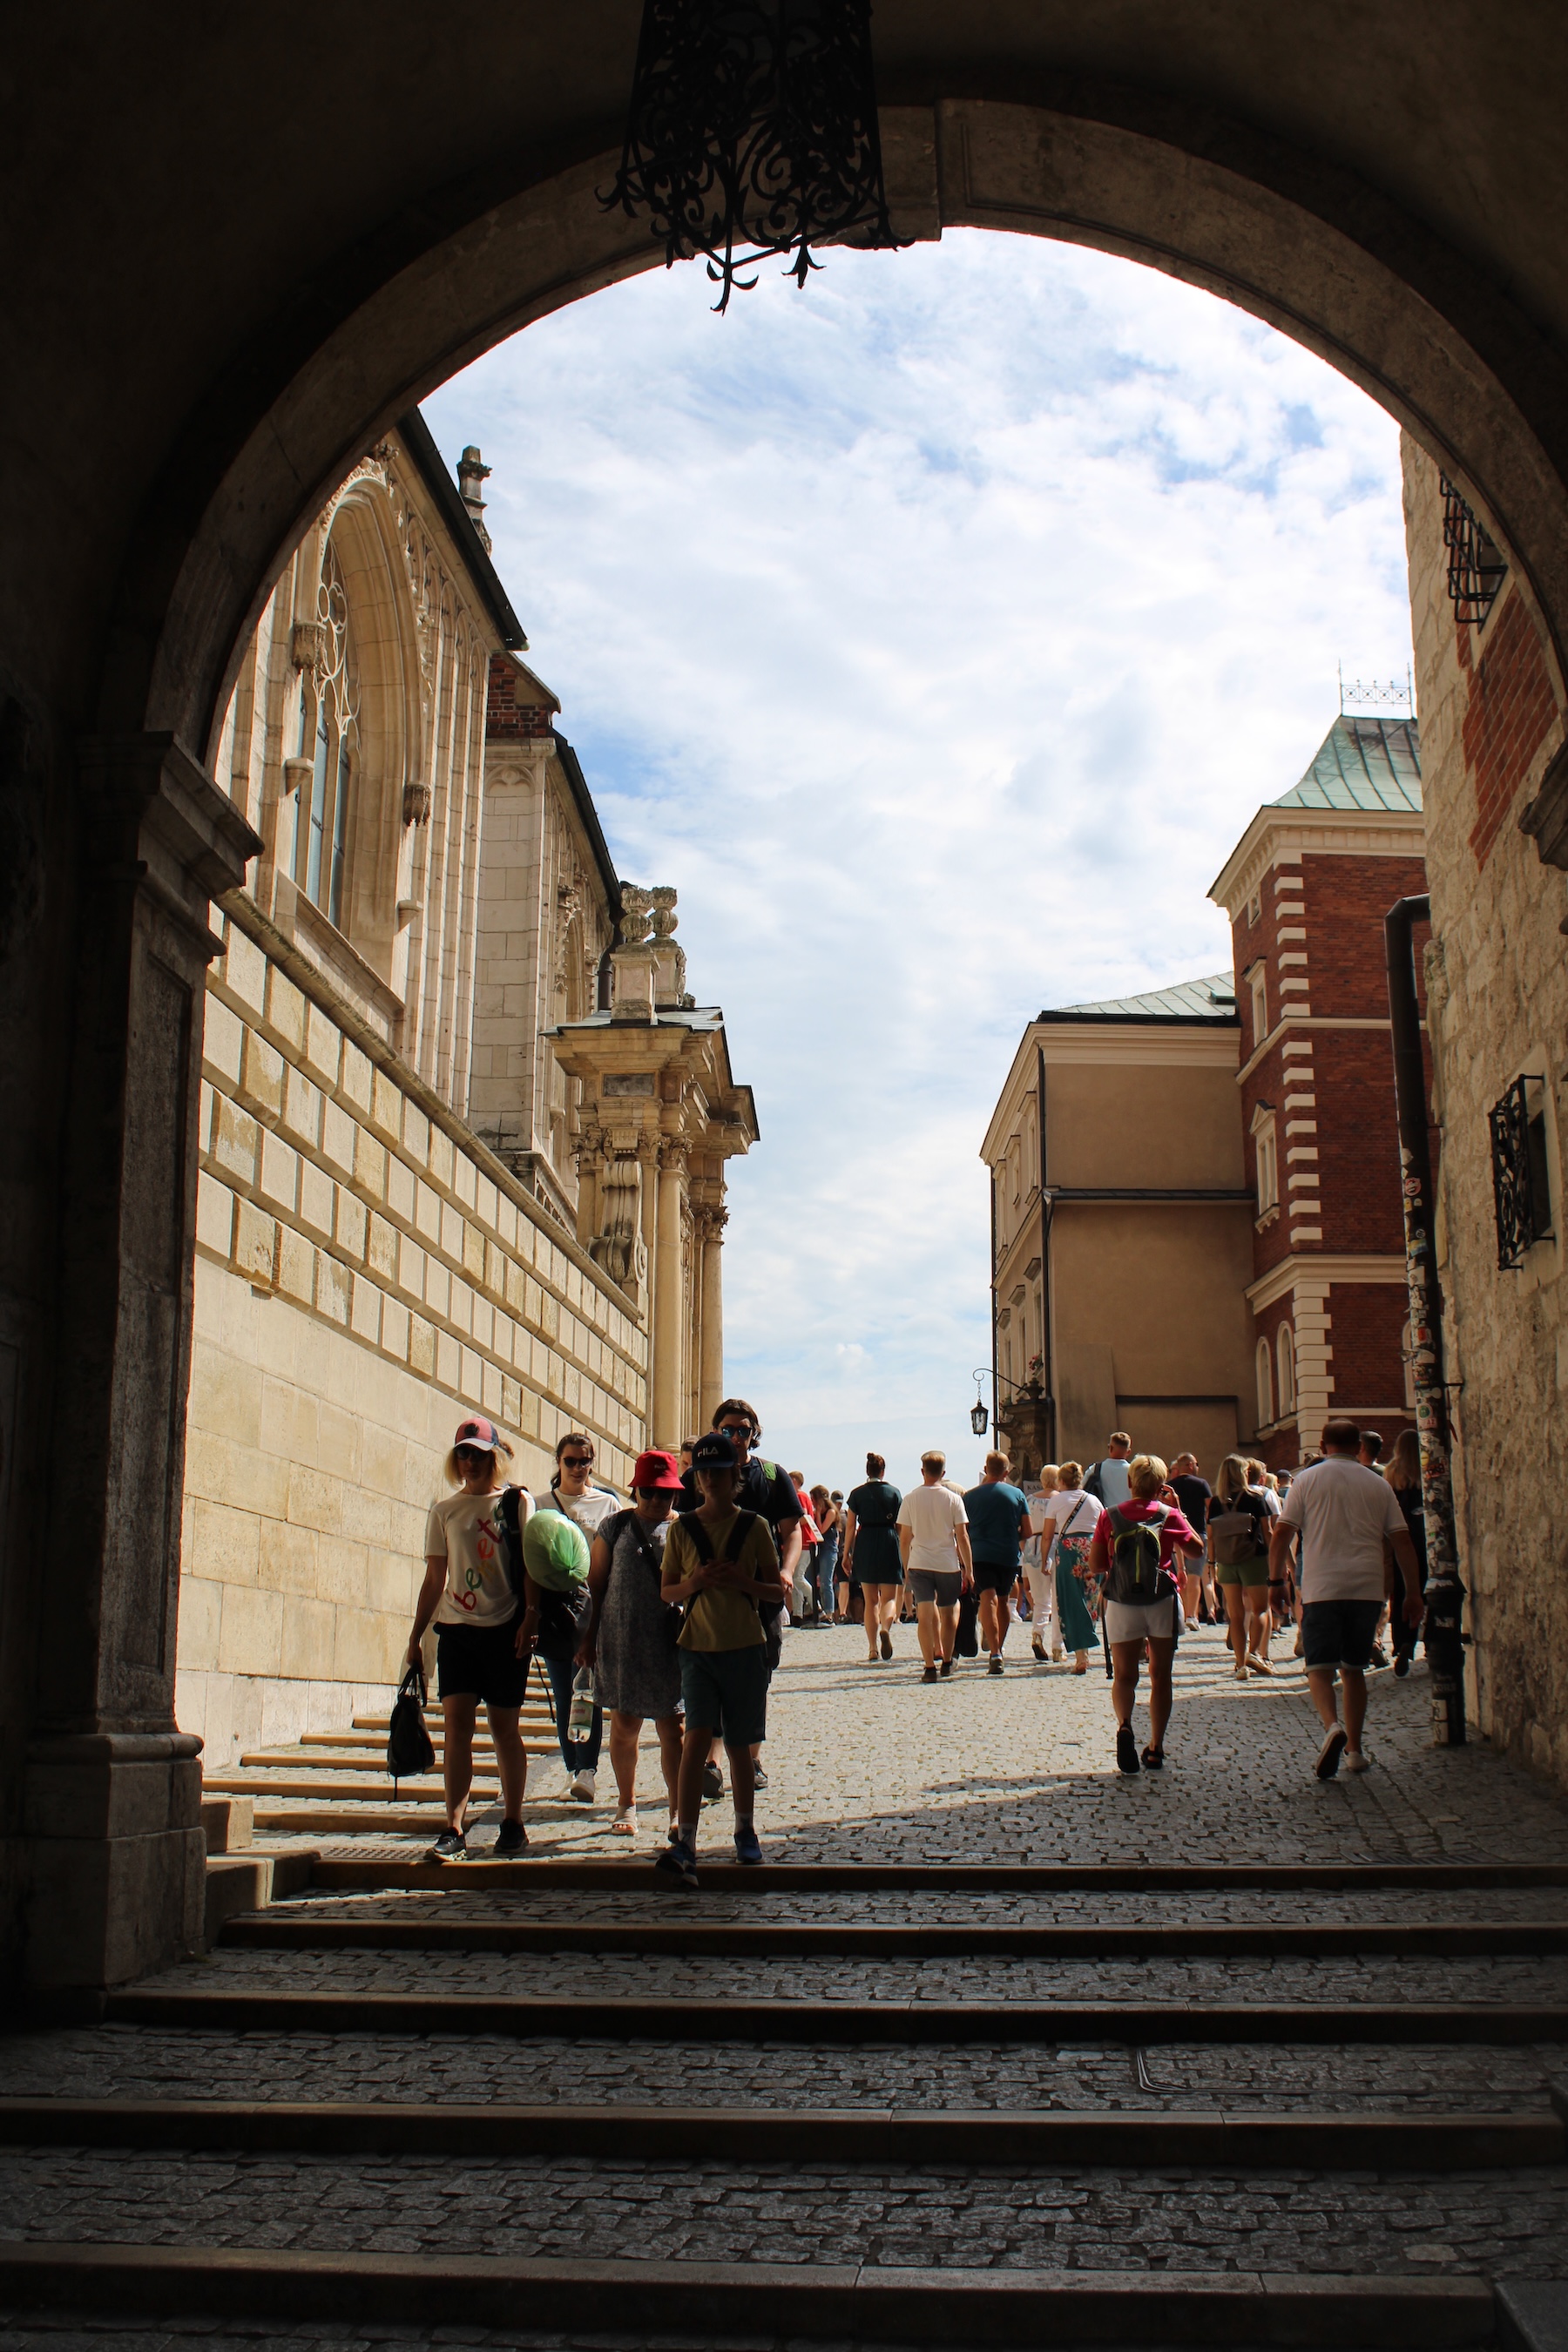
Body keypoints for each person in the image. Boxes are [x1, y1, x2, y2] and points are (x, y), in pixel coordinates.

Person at [656, 1430, 786, 1883]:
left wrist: (740, 1583)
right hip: (697, 1647)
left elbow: (775, 1591)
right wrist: (697, 1583)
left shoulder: (754, 1527)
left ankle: (745, 1831)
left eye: (719, 1472)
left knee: (738, 1746)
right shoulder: (682, 1529)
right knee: (695, 1742)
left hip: (746, 1646)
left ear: (735, 1476)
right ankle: (686, 1839)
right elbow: (668, 1590)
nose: (710, 1479)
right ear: (697, 1480)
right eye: (703, 1473)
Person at [407, 1416, 531, 1862]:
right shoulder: (444, 1511)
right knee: (456, 1729)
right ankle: (454, 1827)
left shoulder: (517, 1503)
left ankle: (513, 1821)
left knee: (505, 1730)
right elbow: (434, 1578)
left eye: (479, 1454)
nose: (470, 1461)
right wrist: (415, 1637)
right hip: (456, 1630)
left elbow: (529, 1568)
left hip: (504, 1630)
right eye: (463, 1453)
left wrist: (529, 1620)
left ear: (494, 1458)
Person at [1271, 1418, 1423, 1780]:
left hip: (1322, 1587)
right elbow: (1403, 1541)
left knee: (1319, 1668)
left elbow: (1282, 1533)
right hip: (1367, 1588)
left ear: (1323, 1447)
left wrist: (1276, 1580)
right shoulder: (1377, 1482)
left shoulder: (1306, 1480)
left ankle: (1331, 1726)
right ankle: (1355, 1750)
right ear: (1359, 1448)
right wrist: (1413, 1592)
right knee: (1353, 1669)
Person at [679, 1399, 801, 1797]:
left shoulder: (771, 1475)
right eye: (727, 1430)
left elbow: (792, 1531)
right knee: (709, 1675)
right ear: (715, 1432)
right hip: (706, 1594)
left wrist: (786, 1571)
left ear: (754, 1434)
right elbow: (676, 1526)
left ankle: (751, 1757)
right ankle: (713, 1761)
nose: (736, 1437)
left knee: (756, 1678)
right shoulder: (696, 1477)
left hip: (760, 1594)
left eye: (743, 1430)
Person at [577, 1449, 686, 1839]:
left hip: (670, 1643)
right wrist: (588, 1639)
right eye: (649, 1492)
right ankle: (627, 1802)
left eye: (665, 1494)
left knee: (673, 1728)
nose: (657, 1501)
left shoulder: (686, 1529)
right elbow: (596, 1585)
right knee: (625, 1725)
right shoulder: (615, 1526)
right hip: (621, 1638)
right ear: (636, 1490)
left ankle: (677, 1810)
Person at [1085, 1453, 1203, 1774]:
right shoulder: (1168, 1514)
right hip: (1162, 1598)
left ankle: (1125, 1725)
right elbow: (1196, 1550)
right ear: (1161, 1485)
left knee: (1124, 1675)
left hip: (1123, 1600)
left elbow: (1097, 1564)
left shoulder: (1110, 1515)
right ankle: (1156, 1748)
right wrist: (1178, 1510)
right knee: (1161, 1676)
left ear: (1130, 1483)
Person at [540, 1431, 619, 1801]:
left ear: (592, 1463)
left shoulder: (607, 1506)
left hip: (593, 1608)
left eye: (584, 1460)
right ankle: (574, 1768)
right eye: (570, 1460)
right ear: (558, 1461)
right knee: (562, 1692)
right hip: (555, 1611)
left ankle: (587, 1769)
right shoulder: (540, 1504)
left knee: (587, 1691)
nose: (577, 1467)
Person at [896, 1450, 973, 1682]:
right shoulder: (953, 1499)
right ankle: (947, 1661)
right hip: (947, 1563)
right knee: (949, 1612)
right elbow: (962, 1536)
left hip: (920, 1562)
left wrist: (905, 1566)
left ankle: (929, 1665)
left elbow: (905, 1538)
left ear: (923, 1472)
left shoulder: (910, 1498)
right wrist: (968, 1568)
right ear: (943, 1473)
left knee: (926, 1614)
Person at [963, 1450, 1032, 1675]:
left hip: (981, 1554)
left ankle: (993, 1652)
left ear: (986, 1469)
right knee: (1003, 1601)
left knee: (988, 1599)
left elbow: (963, 1530)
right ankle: (999, 1649)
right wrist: (1013, 1535)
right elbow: (1028, 1530)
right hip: (1007, 1554)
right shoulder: (1017, 1495)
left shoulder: (970, 1496)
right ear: (1006, 1472)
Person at [1206, 1453, 1274, 1680]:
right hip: (1253, 1559)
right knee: (1260, 1609)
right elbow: (1268, 1532)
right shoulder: (1254, 1498)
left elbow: (1211, 1536)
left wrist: (1212, 1564)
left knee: (1235, 1616)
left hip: (1226, 1562)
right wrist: (1275, 1560)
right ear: (1240, 1473)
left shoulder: (1216, 1502)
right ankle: (1254, 1653)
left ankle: (1239, 1664)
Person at [1042, 1460, 1101, 1673]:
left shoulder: (1057, 1501)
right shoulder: (1094, 1500)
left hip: (1068, 1550)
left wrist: (1044, 1559)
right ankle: (1085, 1651)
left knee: (1071, 1600)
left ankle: (1081, 1656)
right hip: (1092, 1550)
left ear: (1061, 1480)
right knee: (1090, 1600)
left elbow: (1048, 1535)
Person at [843, 1452, 903, 1662]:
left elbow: (850, 1526)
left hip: (866, 1541)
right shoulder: (894, 1493)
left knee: (871, 1601)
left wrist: (846, 1554)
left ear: (867, 1471)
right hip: (888, 1540)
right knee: (889, 1597)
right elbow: (900, 1526)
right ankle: (885, 1628)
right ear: (883, 1471)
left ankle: (872, 1648)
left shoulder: (857, 1494)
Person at [1382, 1428, 1429, 1678]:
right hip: (1428, 1540)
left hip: (1401, 1540)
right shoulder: (1428, 1465)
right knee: (1429, 1591)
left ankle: (1403, 1644)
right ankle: (1433, 1640)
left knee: (1402, 1593)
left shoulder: (1391, 1471)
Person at [1169, 1455, 1213, 1624]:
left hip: (1175, 1535)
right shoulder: (1201, 1484)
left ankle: (1183, 1614)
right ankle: (1191, 1616)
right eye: (1196, 1464)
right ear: (1189, 1465)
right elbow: (1210, 1507)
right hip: (1197, 1534)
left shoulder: (1170, 1486)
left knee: (1180, 1575)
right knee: (1195, 1576)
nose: (1197, 1467)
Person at [1022, 1468, 1060, 1659]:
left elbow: (1022, 1530)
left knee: (1040, 1600)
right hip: (1055, 1546)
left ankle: (1038, 1634)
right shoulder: (1060, 1500)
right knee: (1058, 1599)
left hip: (1032, 1548)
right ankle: (1057, 1647)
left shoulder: (1029, 1500)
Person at [789, 1472, 821, 1623]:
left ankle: (816, 1605)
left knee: (798, 1577)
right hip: (803, 1542)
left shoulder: (800, 1497)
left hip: (804, 1541)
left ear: (794, 1481)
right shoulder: (802, 1497)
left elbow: (803, 1518)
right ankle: (797, 1613)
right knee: (796, 1578)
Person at [810, 1485, 841, 1620]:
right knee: (819, 1582)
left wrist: (817, 1514)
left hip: (829, 1550)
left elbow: (820, 1530)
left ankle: (829, 1613)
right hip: (821, 1550)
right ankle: (821, 1610)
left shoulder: (831, 1512)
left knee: (826, 1582)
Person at [1084, 1431, 1132, 1509]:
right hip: (1128, 1515)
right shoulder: (1134, 1471)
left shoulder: (1096, 1469)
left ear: (1111, 1448)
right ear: (1128, 1452)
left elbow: (1082, 1488)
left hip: (1105, 1516)